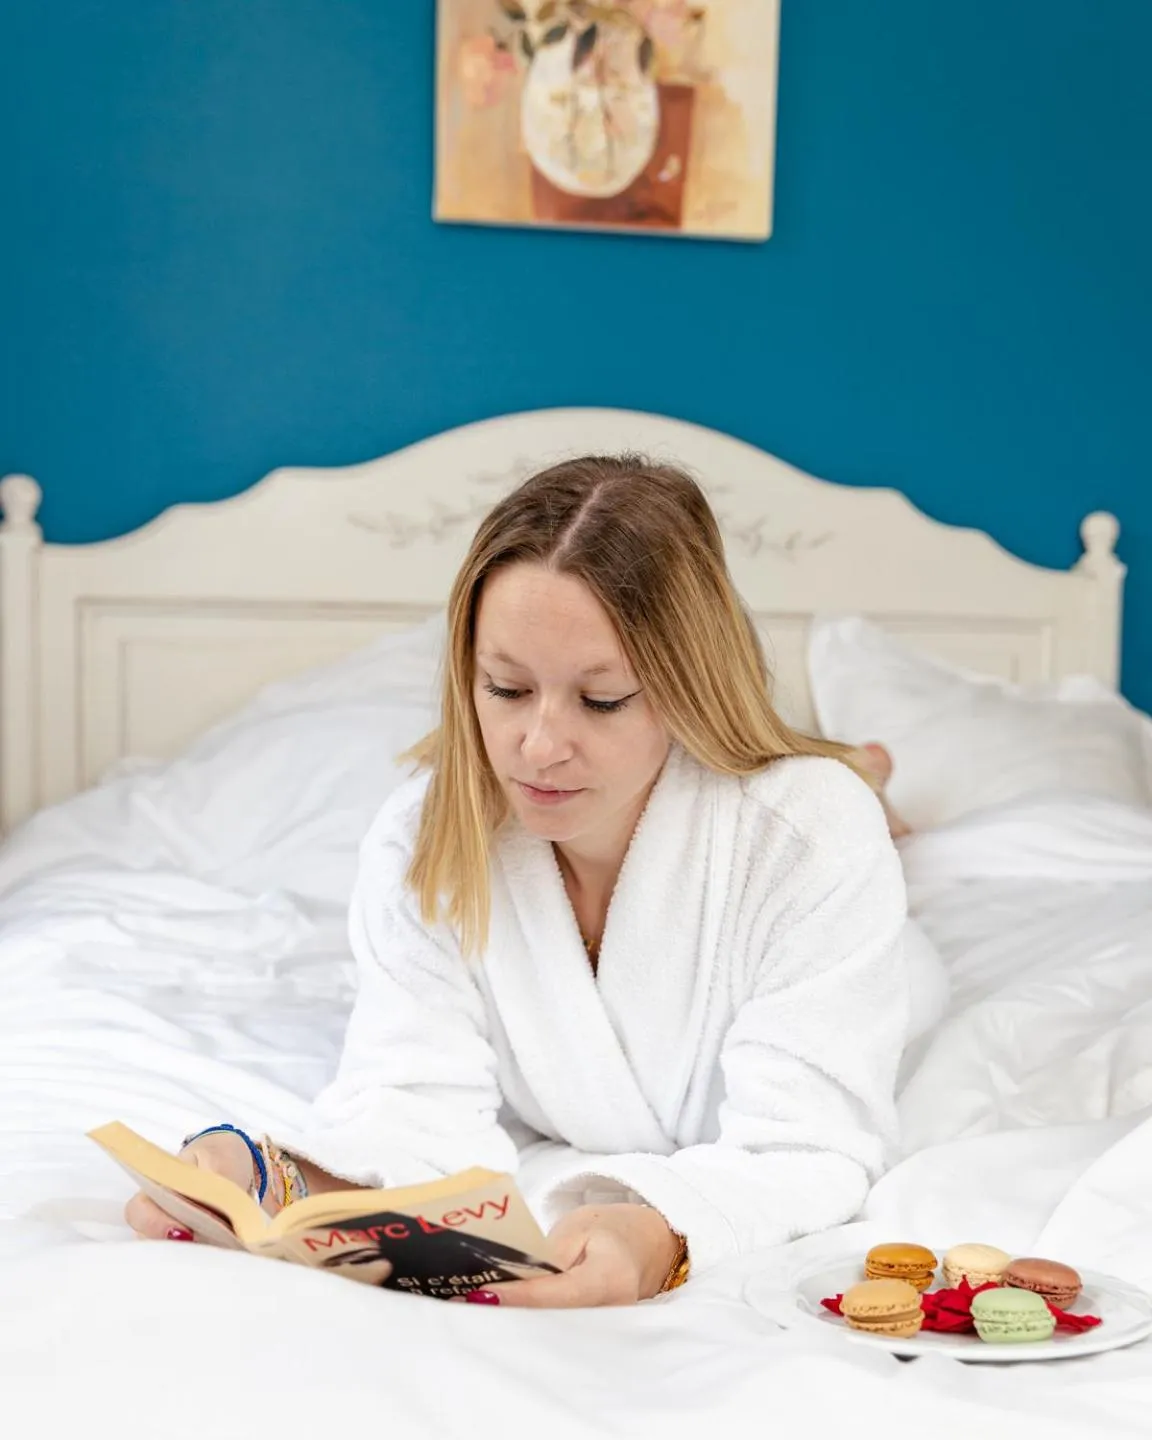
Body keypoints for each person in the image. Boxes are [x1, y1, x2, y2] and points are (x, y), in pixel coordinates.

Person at [127, 454, 910, 1308]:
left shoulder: (804, 837)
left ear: (690, 685)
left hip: (865, 910)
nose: (538, 746)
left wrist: (662, 1232)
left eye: (601, 699)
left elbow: (812, 1143)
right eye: (506, 688)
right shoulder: (422, 838)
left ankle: (869, 778)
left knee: (848, 807)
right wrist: (268, 1175)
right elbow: (411, 1106)